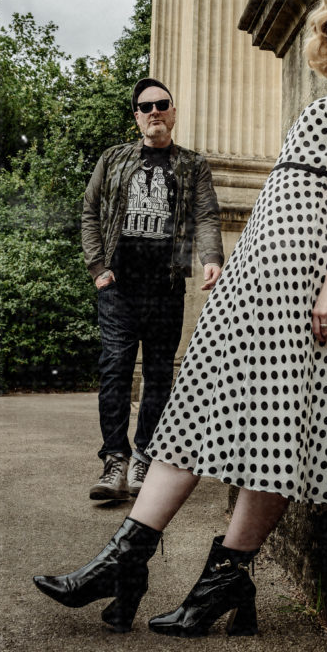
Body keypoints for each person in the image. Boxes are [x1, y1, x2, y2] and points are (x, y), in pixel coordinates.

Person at [34, 0, 327, 637]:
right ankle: (124, 558)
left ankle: (222, 577)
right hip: (262, 257)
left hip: (302, 261)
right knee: (199, 397)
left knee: (276, 416)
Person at [82, 77, 224, 501]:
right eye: (146, 107)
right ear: (137, 117)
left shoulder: (193, 165)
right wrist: (98, 267)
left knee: (159, 374)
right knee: (115, 370)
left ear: (173, 113)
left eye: (162, 104)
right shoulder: (113, 159)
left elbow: (206, 215)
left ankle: (143, 457)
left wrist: (211, 257)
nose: (154, 111)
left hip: (165, 287)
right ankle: (114, 461)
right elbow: (90, 211)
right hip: (119, 288)